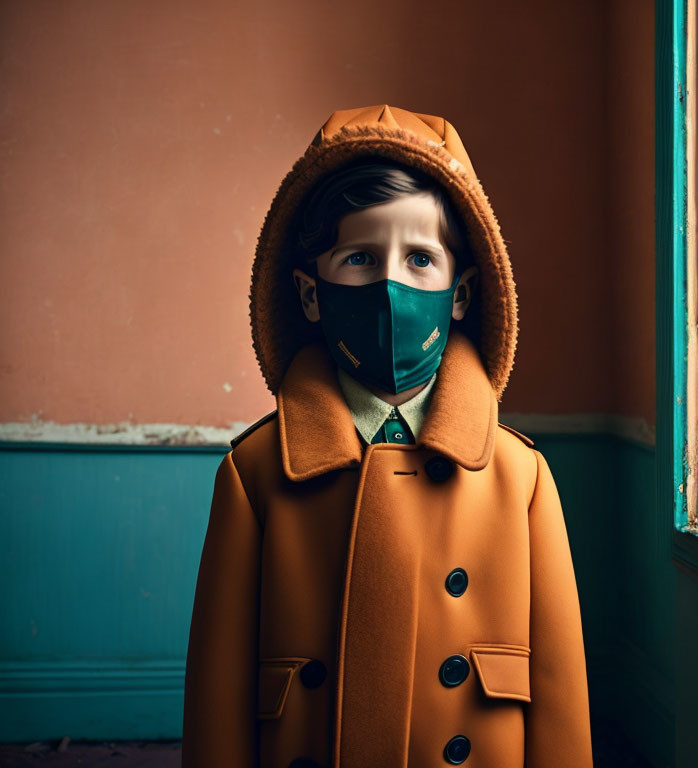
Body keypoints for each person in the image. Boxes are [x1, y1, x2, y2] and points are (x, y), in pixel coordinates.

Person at [182, 104, 592, 768]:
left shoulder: (521, 477)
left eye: (421, 258)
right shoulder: (255, 473)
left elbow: (560, 693)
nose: (390, 284)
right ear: (310, 294)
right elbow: (217, 700)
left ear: (461, 293)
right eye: (360, 257)